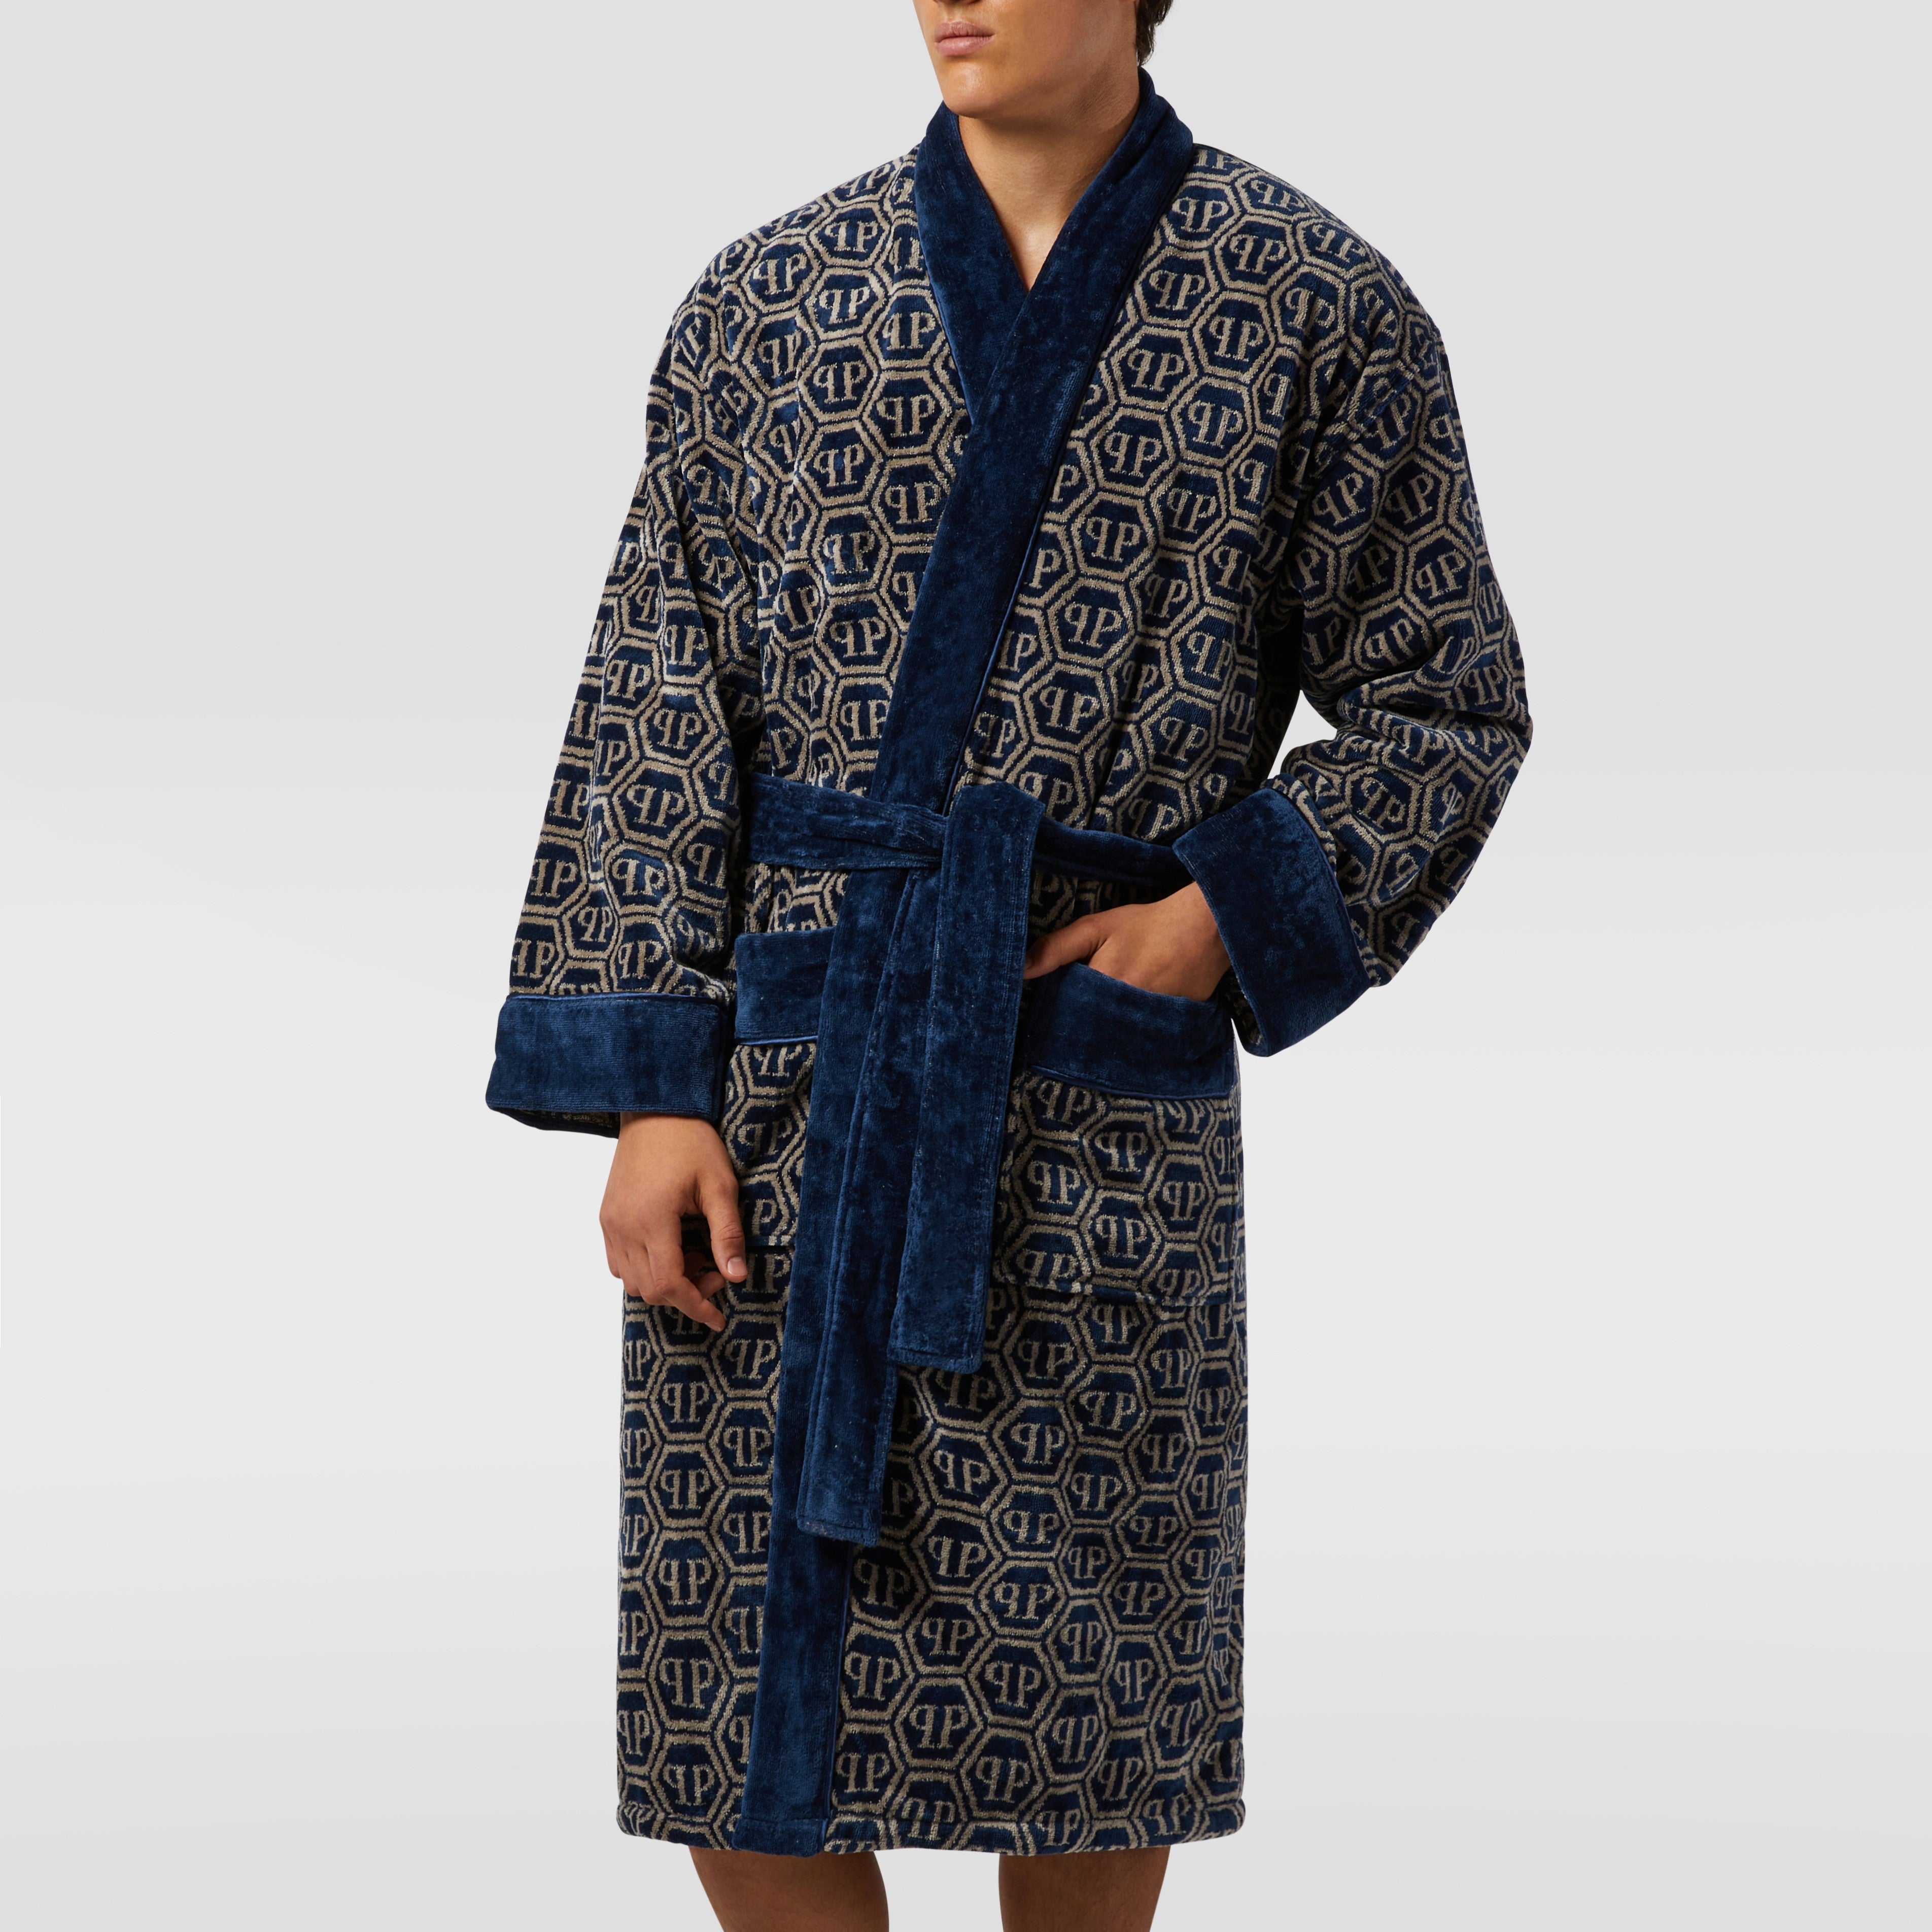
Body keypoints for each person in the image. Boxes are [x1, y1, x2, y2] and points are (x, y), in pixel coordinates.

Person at [485, 1, 1531, 1925]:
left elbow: (1445, 704)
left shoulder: (1313, 304)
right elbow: (659, 695)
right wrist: (649, 1090)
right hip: (788, 1101)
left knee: (1091, 1701)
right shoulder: (768, 302)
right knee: (743, 1715)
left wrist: (1216, 914)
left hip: (1082, 1097)